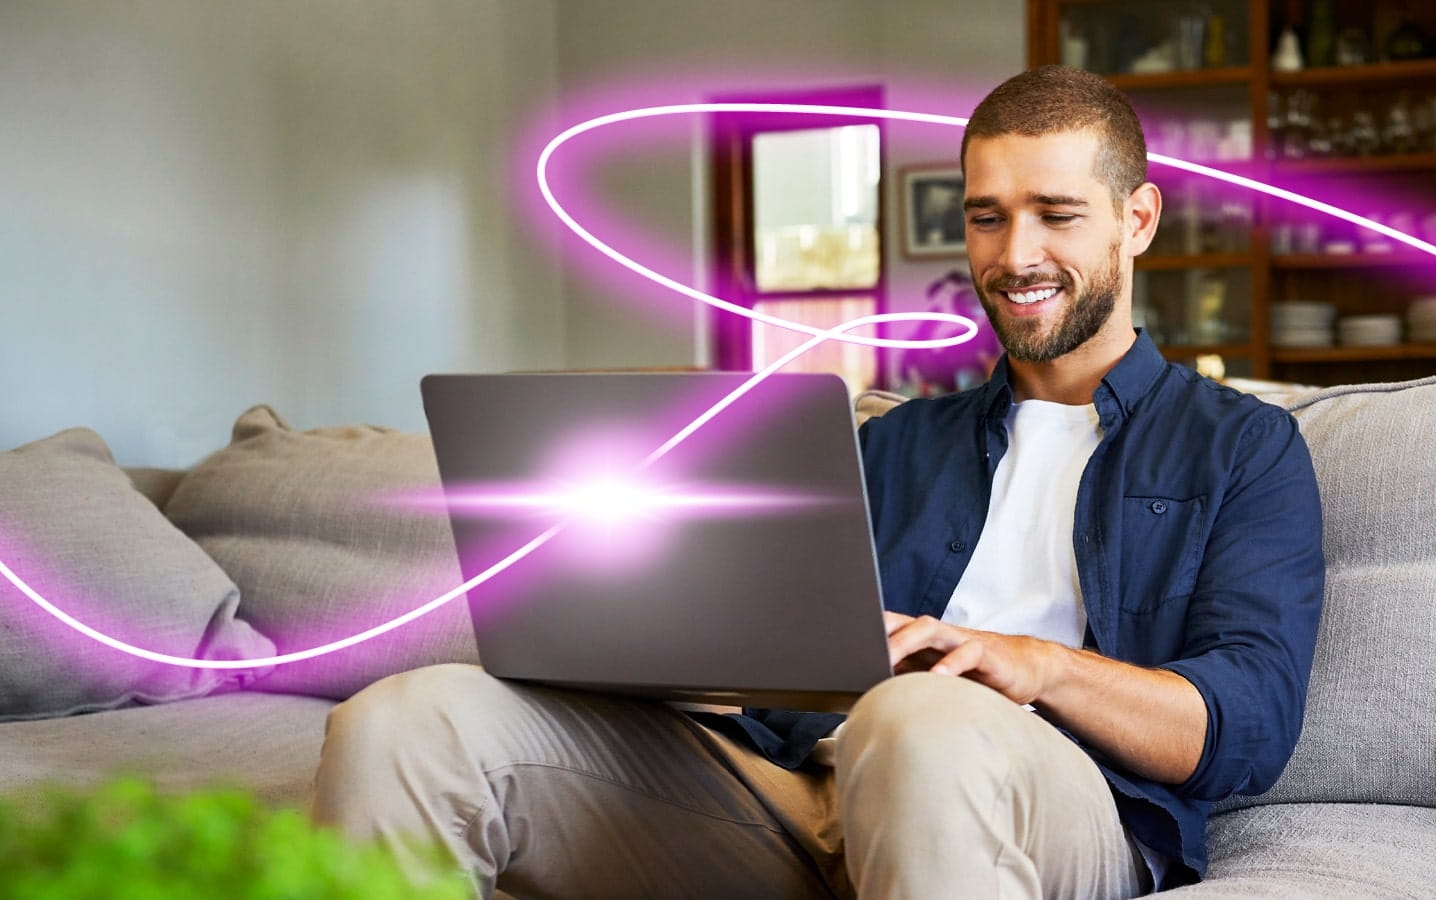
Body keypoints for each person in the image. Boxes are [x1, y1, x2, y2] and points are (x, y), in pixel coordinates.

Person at [312, 65, 1324, 899]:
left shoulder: (1242, 447)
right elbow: (781, 672)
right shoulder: (895, 443)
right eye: (986, 218)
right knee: (405, 724)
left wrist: (1032, 665)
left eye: (1056, 215)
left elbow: (1247, 724)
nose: (1016, 255)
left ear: (1136, 220)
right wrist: (682, 652)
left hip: (1049, 798)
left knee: (914, 719)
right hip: (803, 790)